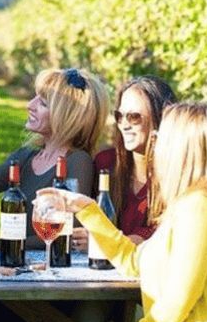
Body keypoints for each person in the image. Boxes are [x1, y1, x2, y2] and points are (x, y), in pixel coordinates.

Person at [41, 102, 207, 322]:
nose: (156, 148)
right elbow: (133, 261)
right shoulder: (196, 205)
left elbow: (175, 305)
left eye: (161, 139)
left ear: (182, 151)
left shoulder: (199, 210)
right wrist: (87, 209)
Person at [0, 68, 108, 250]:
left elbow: (67, 232)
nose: (30, 105)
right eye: (34, 97)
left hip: (47, 264)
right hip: (17, 259)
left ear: (66, 117)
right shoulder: (28, 155)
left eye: (43, 103)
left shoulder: (78, 161)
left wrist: (0, 244)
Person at [72, 75, 176, 252]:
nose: (124, 125)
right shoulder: (106, 164)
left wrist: (106, 242)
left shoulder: (177, 172)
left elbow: (167, 235)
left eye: (134, 117)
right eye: (119, 116)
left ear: (160, 118)